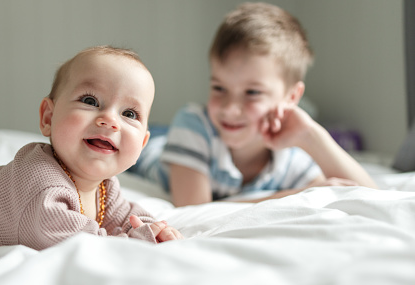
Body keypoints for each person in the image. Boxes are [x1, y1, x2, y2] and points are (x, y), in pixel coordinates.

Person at [0, 45, 183, 251]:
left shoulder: (104, 187)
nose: (110, 120)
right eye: (90, 100)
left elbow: (126, 216)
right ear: (48, 118)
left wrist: (155, 228)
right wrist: (137, 241)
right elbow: (86, 249)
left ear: (143, 144)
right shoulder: (40, 185)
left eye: (130, 114)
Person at [129, 2, 377, 206]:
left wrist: (313, 136)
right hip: (156, 149)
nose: (230, 108)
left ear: (291, 97)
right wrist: (298, 194)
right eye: (219, 88)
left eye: (252, 92)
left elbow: (372, 195)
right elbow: (194, 209)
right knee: (132, 137)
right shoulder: (193, 125)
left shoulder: (290, 154)